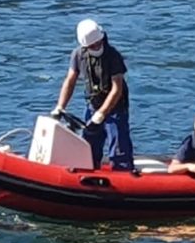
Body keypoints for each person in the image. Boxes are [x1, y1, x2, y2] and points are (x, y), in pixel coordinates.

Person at [52, 19, 134, 171]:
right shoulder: (78, 55)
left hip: (115, 108)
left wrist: (102, 114)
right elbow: (70, 80)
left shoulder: (113, 56)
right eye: (92, 45)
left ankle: (123, 172)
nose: (96, 47)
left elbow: (117, 88)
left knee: (118, 148)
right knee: (89, 146)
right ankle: (89, 173)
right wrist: (60, 107)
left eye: (98, 43)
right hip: (93, 105)